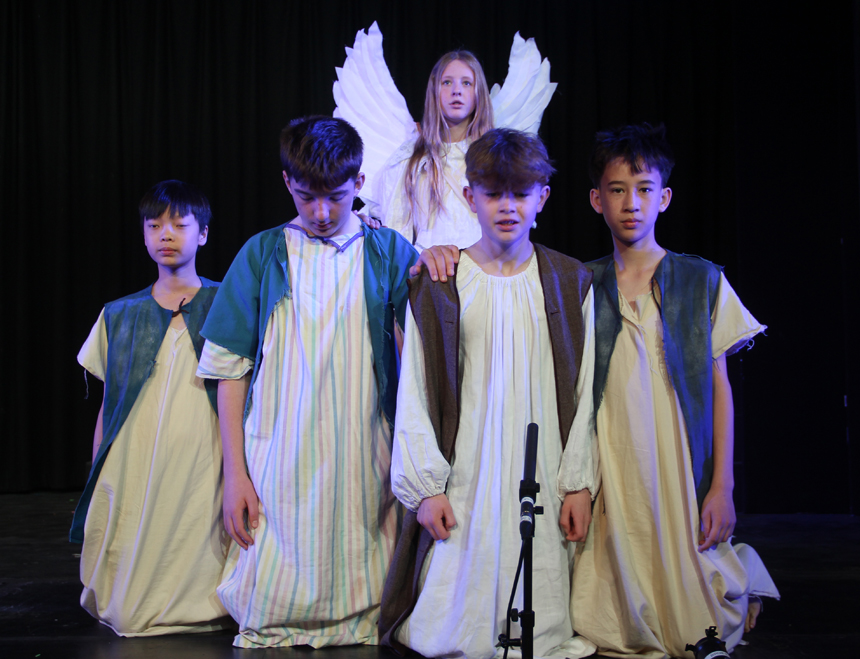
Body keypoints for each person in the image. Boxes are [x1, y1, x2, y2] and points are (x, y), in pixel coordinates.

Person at [196, 116, 417, 649]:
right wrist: (235, 474)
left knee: (365, 556)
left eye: (335, 198)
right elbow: (229, 369)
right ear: (286, 184)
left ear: (359, 185)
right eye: (305, 197)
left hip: (364, 446)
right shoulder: (263, 252)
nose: (320, 213)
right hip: (280, 448)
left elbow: (423, 353)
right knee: (278, 559)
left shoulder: (387, 251)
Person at [381, 128, 598, 659]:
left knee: (541, 617)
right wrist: (426, 487)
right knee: (453, 622)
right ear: (469, 196)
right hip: (467, 471)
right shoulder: (442, 284)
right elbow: (414, 392)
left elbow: (584, 392)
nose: (507, 206)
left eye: (521, 193)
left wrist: (577, 484)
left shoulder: (569, 282)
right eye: (494, 193)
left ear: (542, 197)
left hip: (541, 463)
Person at [570, 123, 780, 657]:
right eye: (617, 190)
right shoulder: (580, 283)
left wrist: (723, 485)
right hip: (613, 453)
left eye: (643, 189)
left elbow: (718, 386)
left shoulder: (699, 278)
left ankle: (728, 591)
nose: (631, 204)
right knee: (610, 591)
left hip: (678, 456)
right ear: (597, 199)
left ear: (663, 197)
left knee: (694, 593)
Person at [71, 180, 230, 636]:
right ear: (143, 234)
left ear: (202, 234)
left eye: (179, 224)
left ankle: (203, 603)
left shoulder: (226, 304)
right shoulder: (120, 313)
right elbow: (109, 401)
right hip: (137, 448)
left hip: (204, 446)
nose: (166, 234)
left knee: (196, 520)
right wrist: (98, 461)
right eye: (155, 225)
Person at [366, 50, 494, 251]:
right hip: (428, 272)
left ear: (479, 92)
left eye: (466, 83)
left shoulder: (494, 156)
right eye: (447, 82)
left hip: (482, 269)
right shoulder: (412, 156)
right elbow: (396, 225)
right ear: (435, 90)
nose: (456, 91)